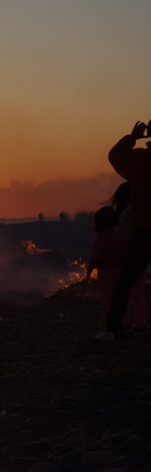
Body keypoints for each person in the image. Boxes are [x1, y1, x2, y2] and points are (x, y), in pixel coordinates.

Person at [104, 121, 151, 339]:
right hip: (143, 229)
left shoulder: (141, 161)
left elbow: (115, 155)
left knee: (126, 280)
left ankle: (114, 327)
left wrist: (132, 137)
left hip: (145, 230)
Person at [87, 206, 144, 338]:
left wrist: (90, 268)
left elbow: (97, 257)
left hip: (106, 273)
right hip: (119, 270)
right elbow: (124, 254)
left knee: (108, 301)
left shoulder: (100, 240)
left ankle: (110, 328)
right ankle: (123, 324)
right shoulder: (119, 239)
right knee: (120, 298)